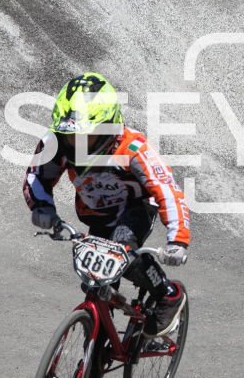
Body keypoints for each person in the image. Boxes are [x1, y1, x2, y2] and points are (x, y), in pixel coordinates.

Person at [24, 73, 190, 337]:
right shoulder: (55, 143)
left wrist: (177, 240)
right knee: (95, 282)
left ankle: (168, 294)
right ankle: (96, 347)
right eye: (71, 136)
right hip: (98, 216)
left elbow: (168, 190)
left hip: (136, 208)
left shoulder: (134, 148)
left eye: (88, 136)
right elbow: (37, 176)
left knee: (123, 250)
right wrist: (41, 206)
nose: (78, 144)